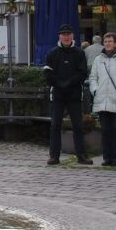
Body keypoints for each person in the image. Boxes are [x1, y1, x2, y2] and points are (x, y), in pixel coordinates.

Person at [45, 24, 92, 165]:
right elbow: (48, 73)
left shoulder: (79, 53)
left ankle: (81, 155)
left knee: (78, 126)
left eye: (68, 34)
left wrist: (69, 83)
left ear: (72, 36)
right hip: (58, 95)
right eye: (63, 34)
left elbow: (83, 73)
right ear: (59, 36)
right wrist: (60, 84)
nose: (66, 37)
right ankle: (54, 156)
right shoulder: (52, 53)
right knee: (55, 126)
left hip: (74, 95)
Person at [88, 32, 116, 167]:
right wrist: (95, 89)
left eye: (110, 41)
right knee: (106, 131)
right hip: (102, 100)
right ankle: (106, 157)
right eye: (106, 41)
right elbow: (93, 77)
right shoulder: (98, 59)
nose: (107, 43)